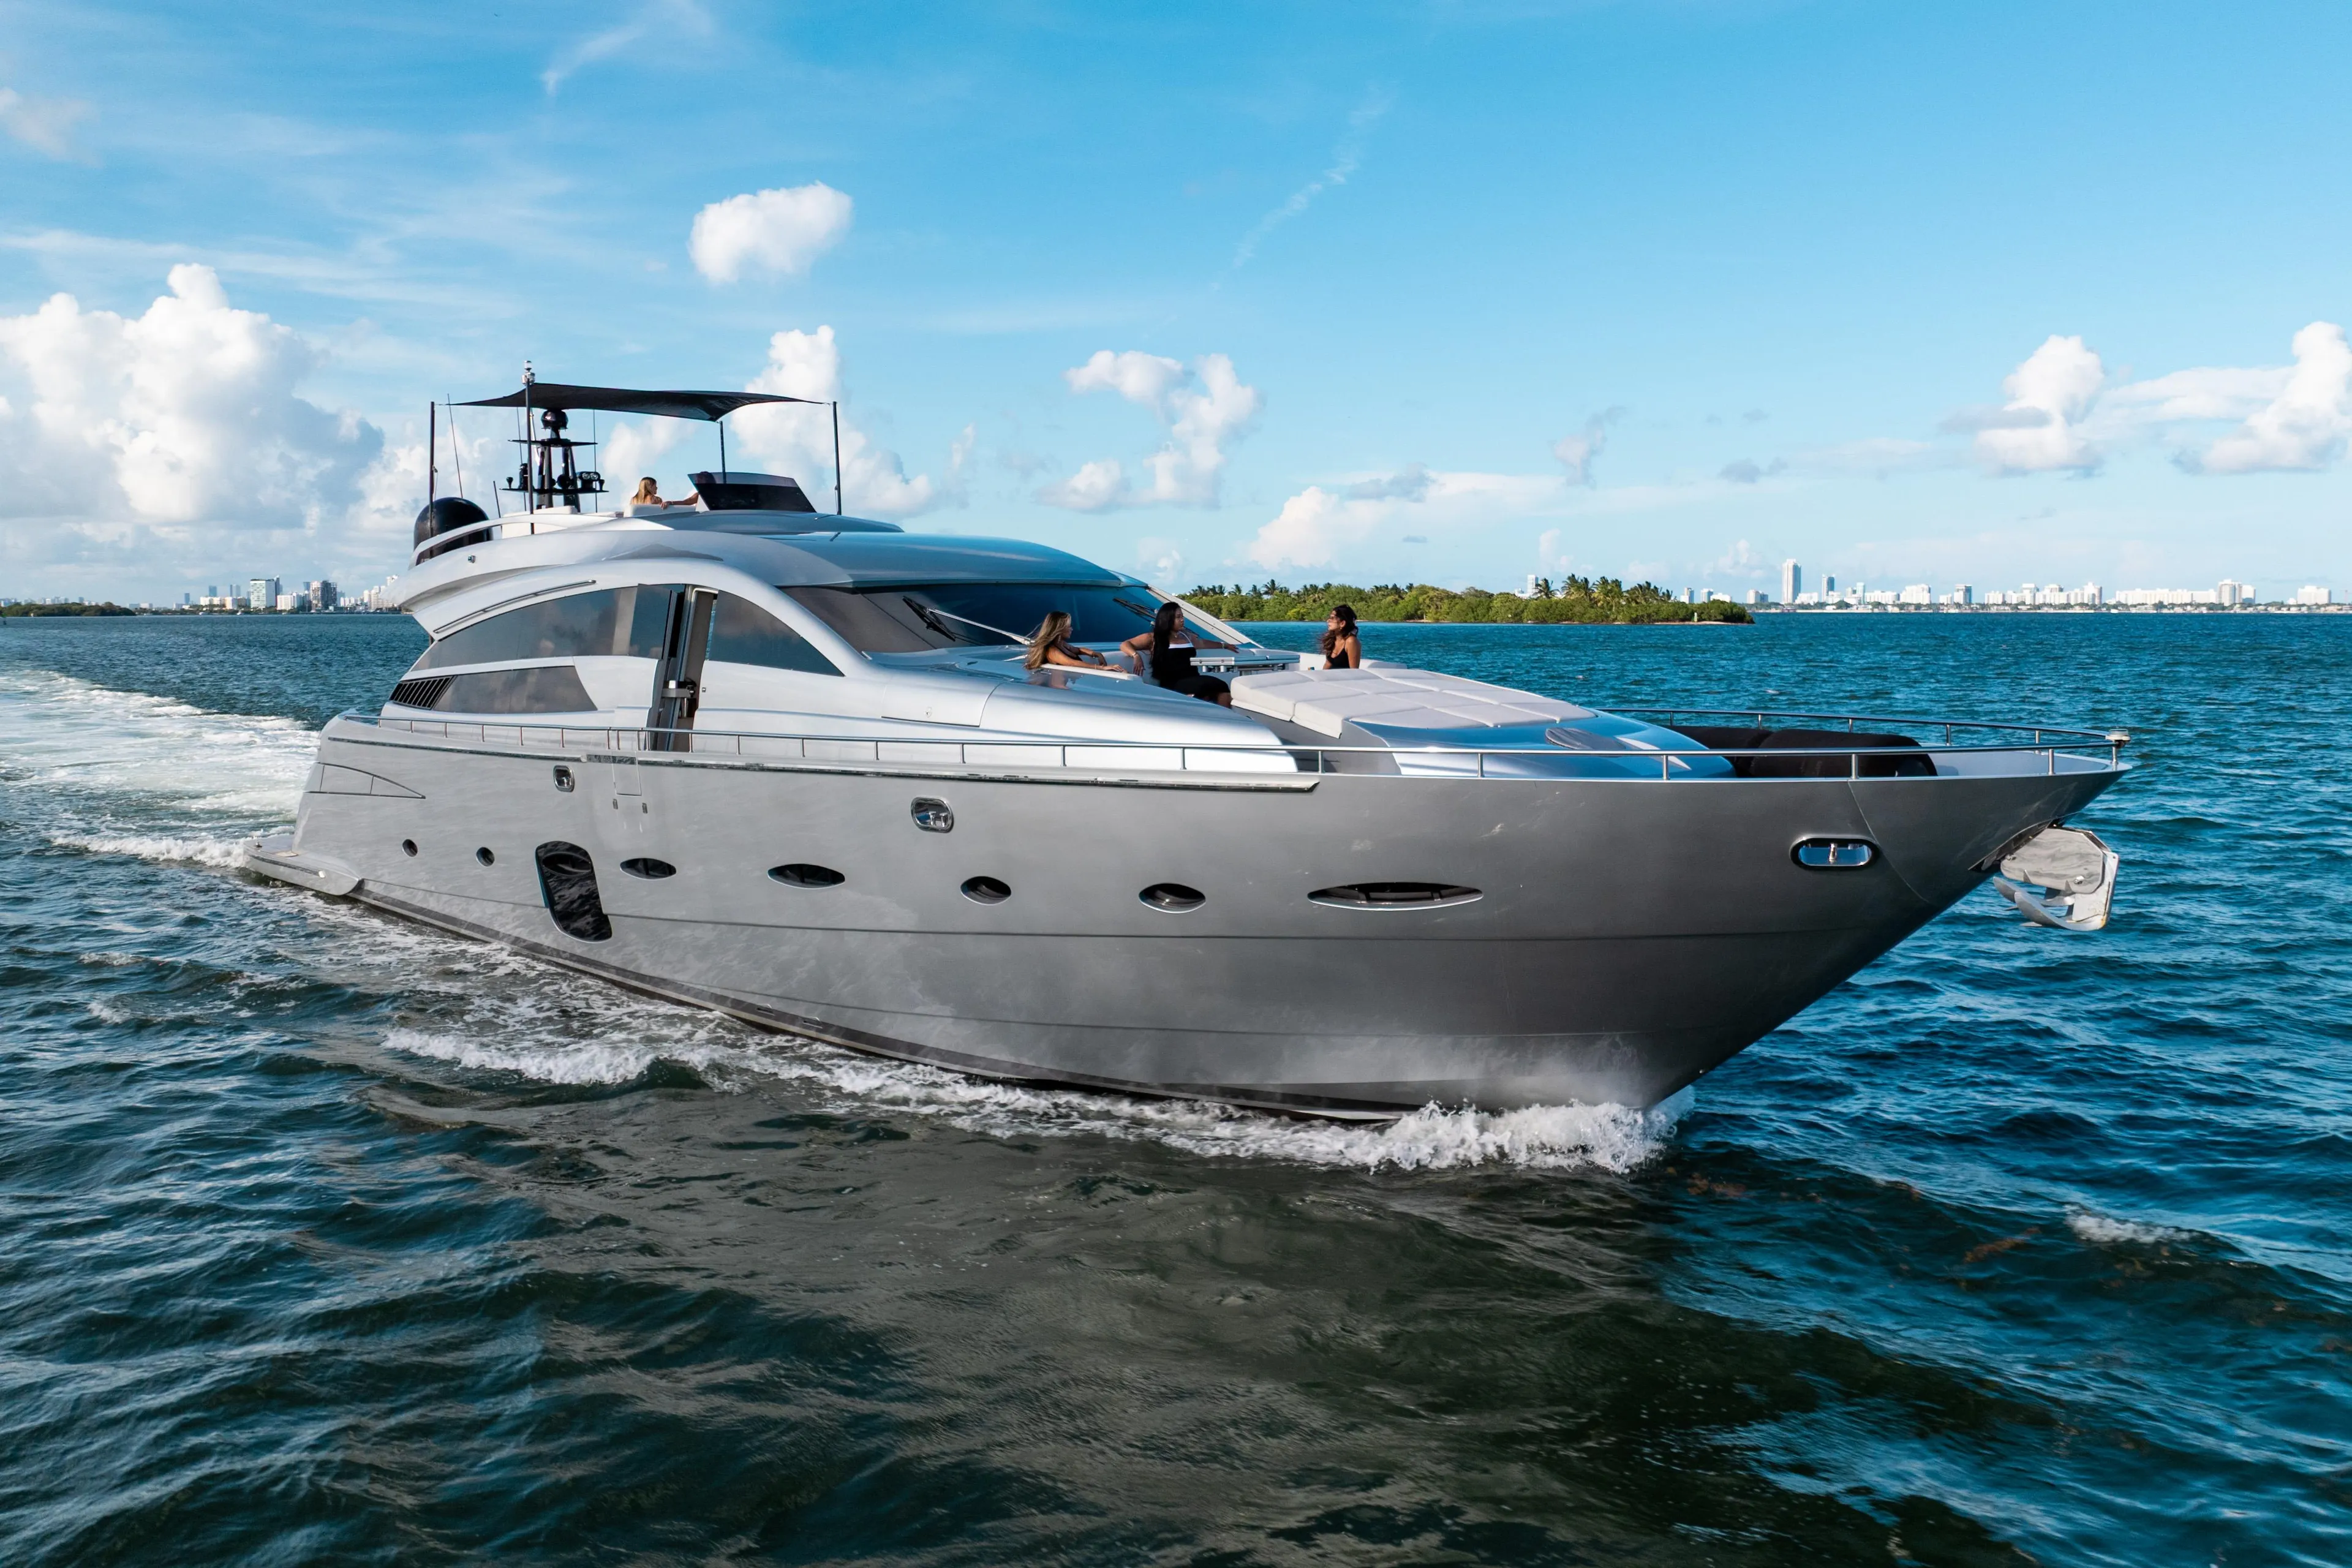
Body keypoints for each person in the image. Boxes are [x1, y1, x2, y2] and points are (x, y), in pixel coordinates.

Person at [1120, 601, 1233, 705]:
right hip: (1173, 683)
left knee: (1222, 690)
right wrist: (1136, 656)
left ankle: (1226, 718)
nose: (1182, 620)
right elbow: (1125, 644)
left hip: (1194, 679)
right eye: (1178, 617)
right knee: (1216, 685)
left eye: (1182, 616)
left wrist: (1224, 645)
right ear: (1168, 619)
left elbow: (1203, 643)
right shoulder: (1154, 638)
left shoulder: (1186, 636)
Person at [1024, 609, 1110, 671]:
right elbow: (1070, 663)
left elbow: (1078, 650)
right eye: (1069, 626)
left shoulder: (1062, 645)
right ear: (1059, 629)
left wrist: (1097, 654)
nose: (1072, 629)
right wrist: (1100, 668)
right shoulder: (1051, 651)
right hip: (1058, 688)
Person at [1321, 603, 1362, 670]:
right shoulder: (1332, 639)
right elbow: (1328, 664)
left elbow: (1354, 671)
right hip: (1331, 676)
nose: (1328, 621)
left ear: (1342, 624)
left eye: (1332, 618)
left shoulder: (1351, 641)